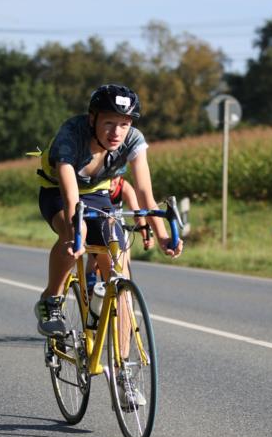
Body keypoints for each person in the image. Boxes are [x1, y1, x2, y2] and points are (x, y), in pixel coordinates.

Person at [34, 83, 182, 336]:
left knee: (118, 258)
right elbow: (70, 195)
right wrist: (76, 235)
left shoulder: (134, 139)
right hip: (58, 192)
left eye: (124, 124)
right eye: (109, 123)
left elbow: (144, 191)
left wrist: (162, 236)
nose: (117, 132)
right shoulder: (71, 135)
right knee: (75, 230)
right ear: (93, 119)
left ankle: (120, 360)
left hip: (98, 194)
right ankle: (51, 300)